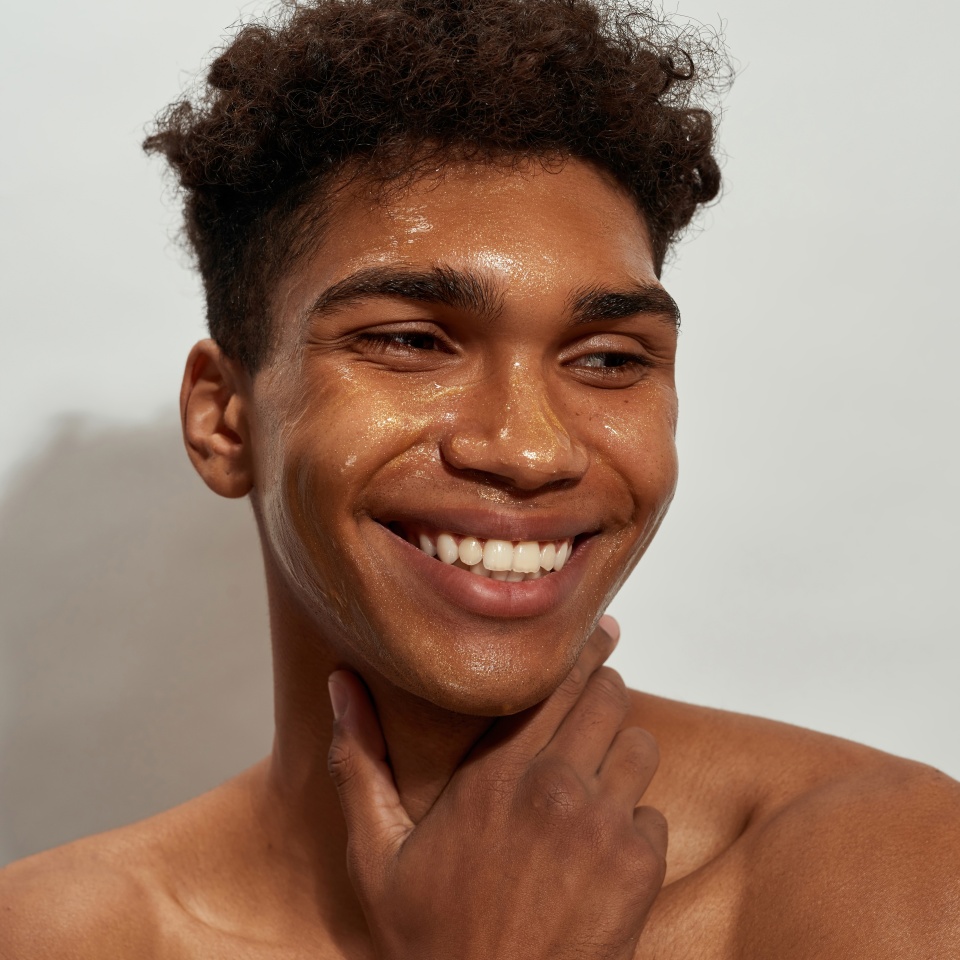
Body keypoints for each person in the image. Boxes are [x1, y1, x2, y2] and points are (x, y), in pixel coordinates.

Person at [1, 0, 958, 955]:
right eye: (411, 341)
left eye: (610, 358)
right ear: (223, 418)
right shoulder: (49, 934)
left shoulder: (885, 865)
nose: (532, 449)